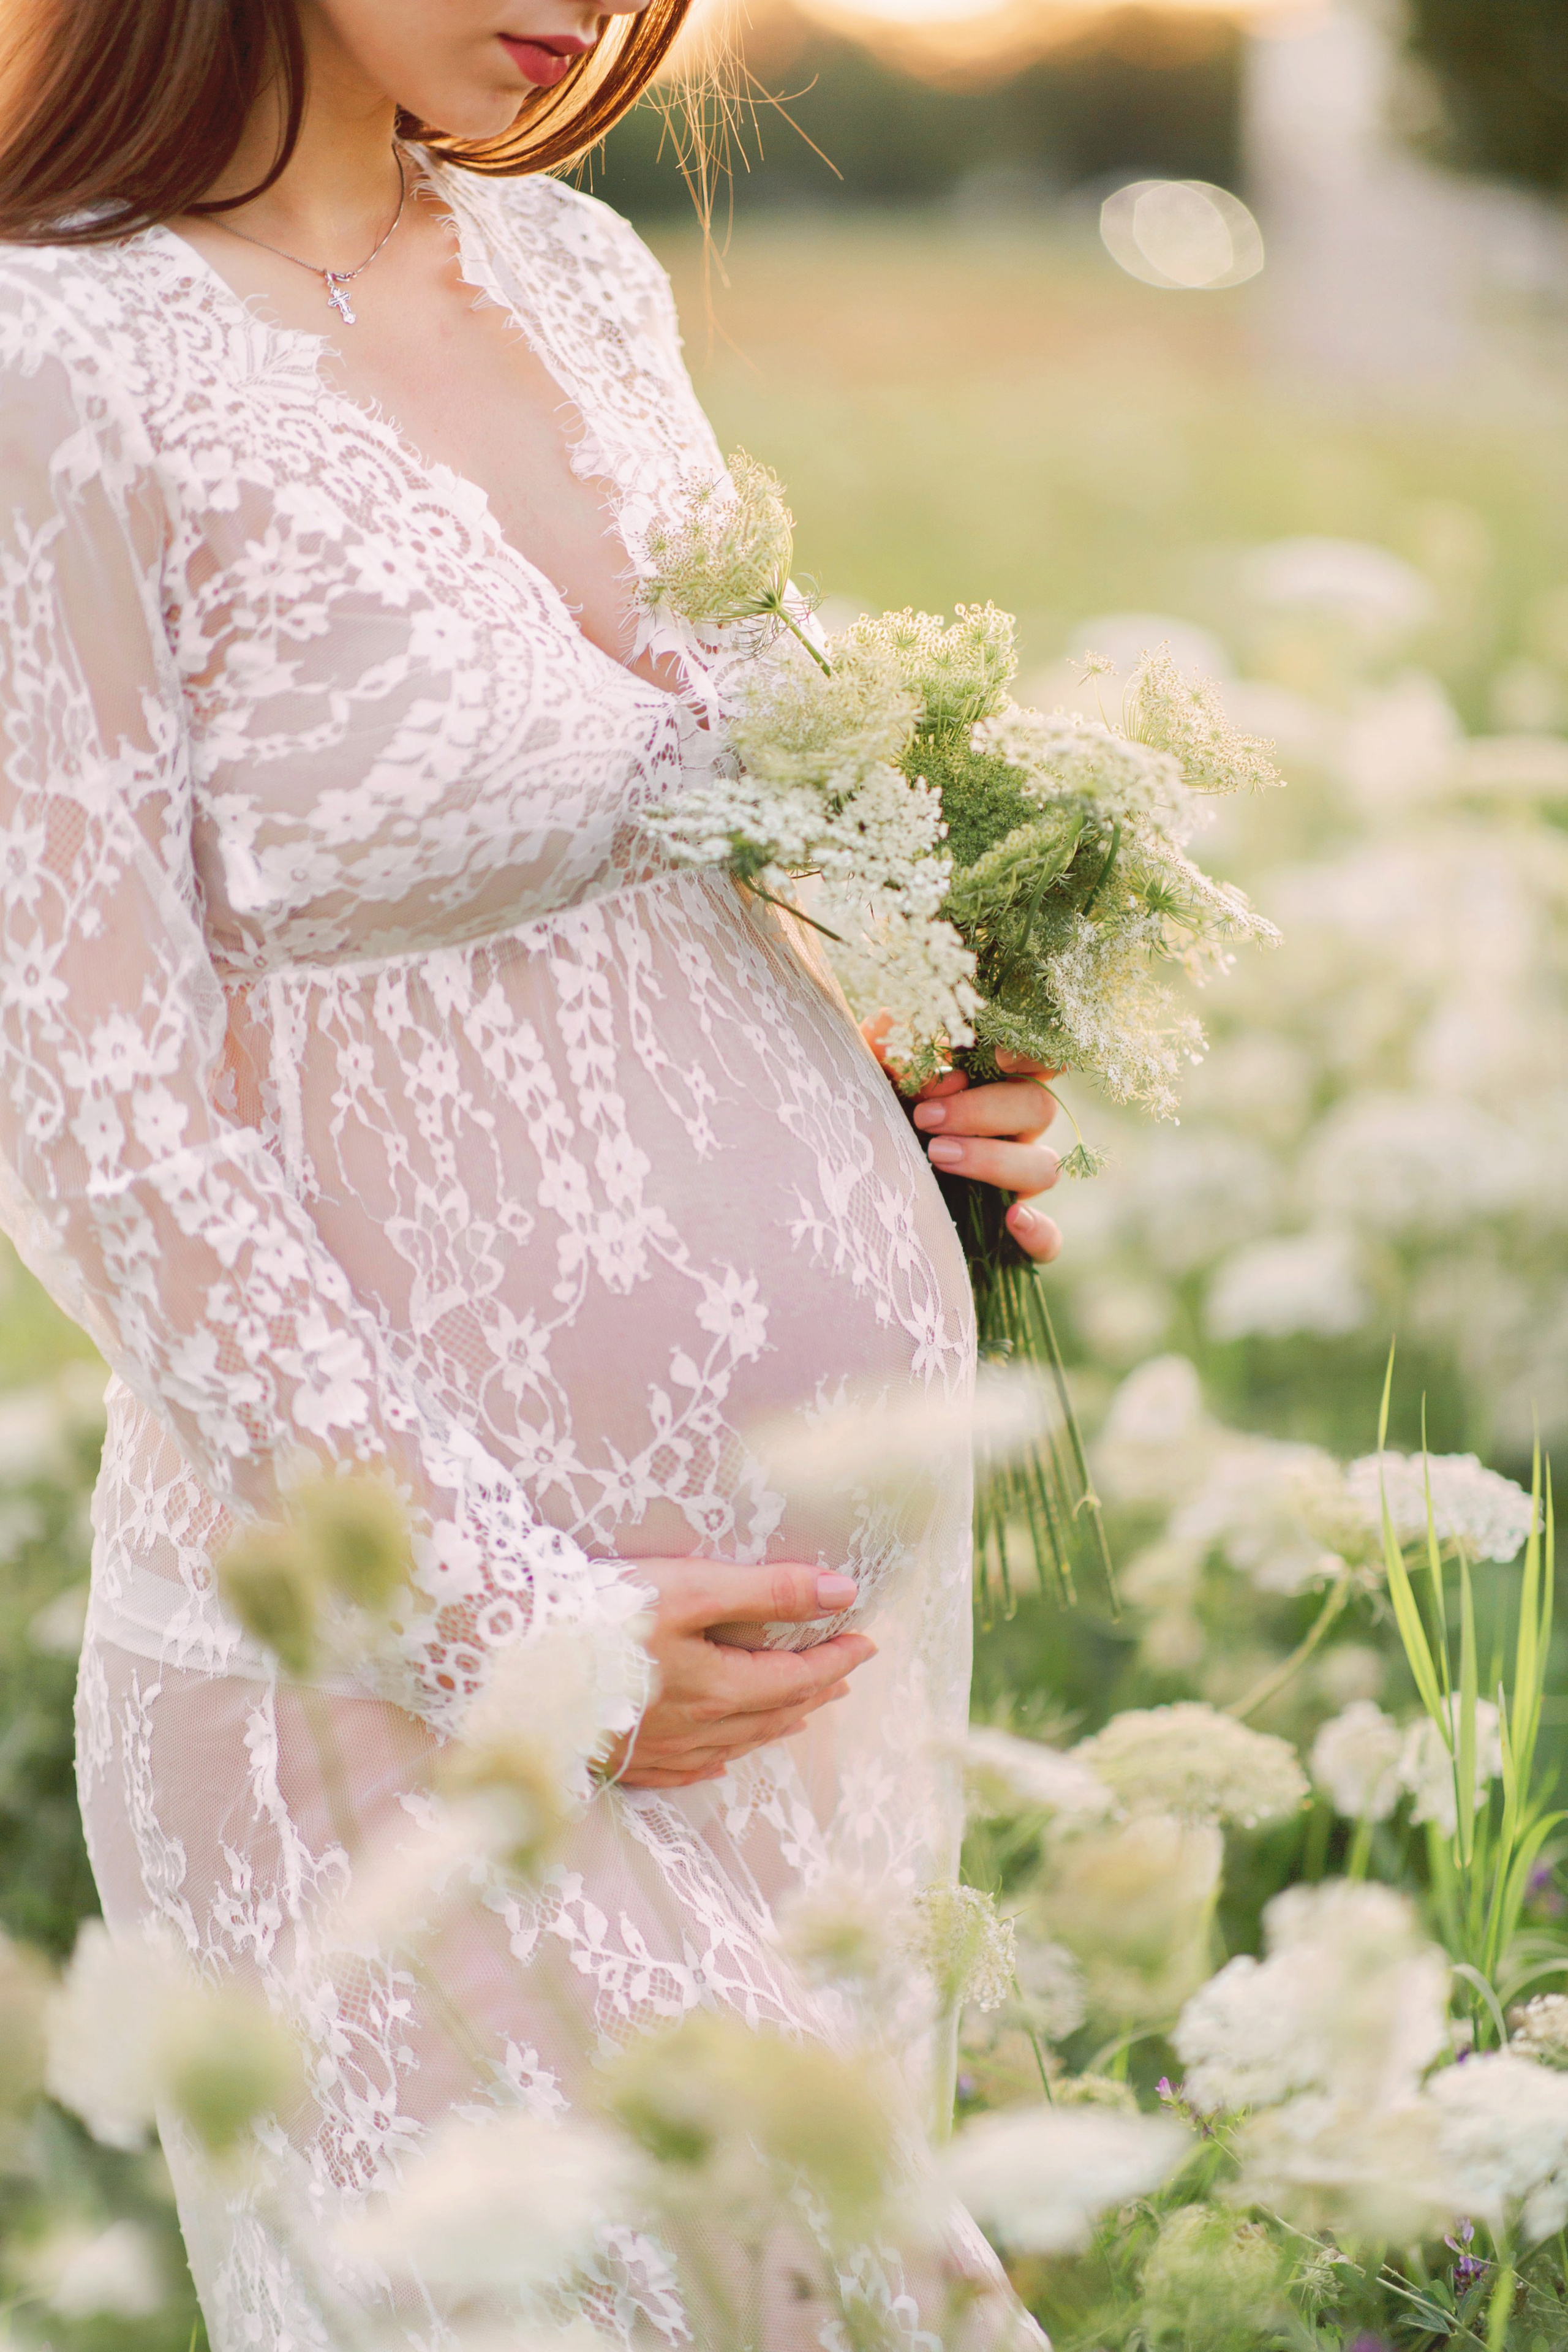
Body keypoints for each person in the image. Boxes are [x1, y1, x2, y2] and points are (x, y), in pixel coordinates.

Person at [0, 1, 1063, 2340]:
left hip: (787, 1680)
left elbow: (708, 806)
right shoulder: (49, 354)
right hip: (407, 1699)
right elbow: (86, 1108)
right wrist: (510, 1637)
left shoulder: (579, 275)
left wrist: (917, 1071)